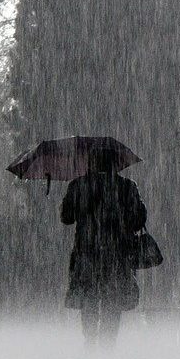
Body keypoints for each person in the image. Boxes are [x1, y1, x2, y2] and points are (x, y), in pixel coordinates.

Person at [59, 144, 147, 347]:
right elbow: (139, 219)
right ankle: (108, 344)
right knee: (112, 301)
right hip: (116, 254)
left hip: (86, 252)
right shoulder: (127, 187)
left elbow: (66, 218)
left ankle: (90, 341)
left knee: (88, 299)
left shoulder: (78, 186)